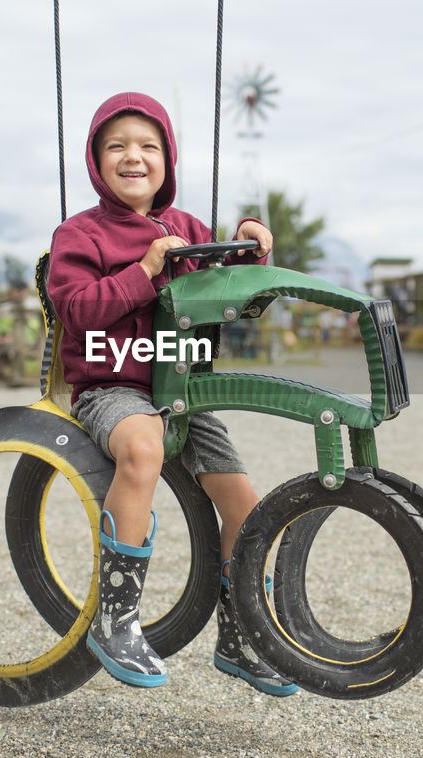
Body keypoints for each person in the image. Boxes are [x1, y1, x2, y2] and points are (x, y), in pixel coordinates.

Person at [46, 92, 297, 696]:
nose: (133, 157)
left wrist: (251, 246)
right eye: (117, 147)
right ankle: (116, 620)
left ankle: (240, 635)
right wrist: (144, 271)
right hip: (112, 383)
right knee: (141, 448)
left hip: (181, 382)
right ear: (95, 159)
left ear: (168, 158)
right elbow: (75, 309)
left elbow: (225, 289)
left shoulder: (188, 228)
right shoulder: (80, 233)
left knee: (245, 504)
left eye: (148, 146)